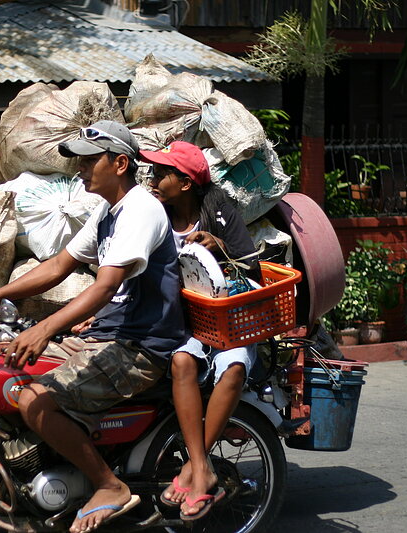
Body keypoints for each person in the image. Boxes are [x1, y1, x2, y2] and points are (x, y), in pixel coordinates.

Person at [0, 120, 186, 533]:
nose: (81, 170)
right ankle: (27, 479)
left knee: (34, 400)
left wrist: (45, 329)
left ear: (120, 163)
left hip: (139, 347)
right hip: (107, 336)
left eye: (89, 161)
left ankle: (109, 486)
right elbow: (58, 265)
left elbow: (106, 287)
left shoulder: (141, 210)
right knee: (2, 372)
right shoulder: (108, 210)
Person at [139, 141, 260, 521]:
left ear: (187, 183)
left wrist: (220, 248)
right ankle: (200, 464)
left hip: (227, 323)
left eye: (163, 173)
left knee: (235, 367)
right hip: (182, 325)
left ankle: (195, 467)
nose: (155, 179)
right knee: (181, 362)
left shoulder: (219, 212)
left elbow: (253, 272)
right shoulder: (153, 214)